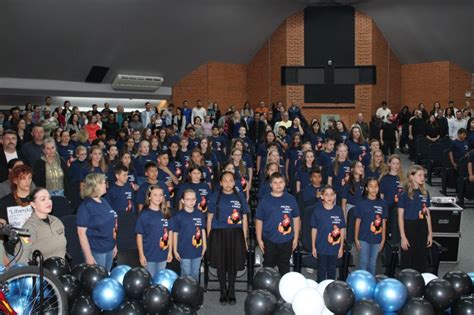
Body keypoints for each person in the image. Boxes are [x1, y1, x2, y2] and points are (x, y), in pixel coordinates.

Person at [208, 171, 249, 305]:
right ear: (220, 183)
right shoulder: (215, 196)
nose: (227, 183)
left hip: (235, 234)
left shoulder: (240, 196)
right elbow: (209, 218)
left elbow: (244, 219)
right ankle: (222, 290)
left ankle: (231, 290)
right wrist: (209, 238)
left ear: (234, 182)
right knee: (221, 264)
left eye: (230, 180)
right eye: (224, 180)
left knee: (232, 264)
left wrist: (245, 238)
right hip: (218, 233)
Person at [256, 173, 300, 276]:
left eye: (281, 182)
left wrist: (296, 237)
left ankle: (282, 290)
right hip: (269, 239)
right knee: (268, 266)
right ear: (270, 185)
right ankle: (265, 289)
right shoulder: (264, 200)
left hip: (287, 239)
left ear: (285, 184)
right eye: (275, 182)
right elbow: (259, 220)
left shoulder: (291, 199)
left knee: (284, 266)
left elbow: (296, 218)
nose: (278, 185)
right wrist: (259, 239)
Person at [77, 173, 118, 270]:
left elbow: (112, 225)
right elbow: (81, 233)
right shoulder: (86, 206)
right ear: (95, 186)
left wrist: (114, 245)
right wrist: (88, 256)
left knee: (106, 276)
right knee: (98, 281)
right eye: (103, 182)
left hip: (109, 247)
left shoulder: (104, 201)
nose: (106, 184)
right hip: (97, 250)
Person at [16, 187, 67, 263]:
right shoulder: (28, 227)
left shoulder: (57, 221)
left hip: (62, 268)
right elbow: (21, 257)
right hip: (42, 272)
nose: (48, 202)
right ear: (33, 204)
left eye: (49, 198)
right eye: (43, 199)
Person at [398, 165, 433, 272]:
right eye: (420, 175)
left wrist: (430, 234)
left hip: (422, 227)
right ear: (412, 176)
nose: (423, 178)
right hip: (409, 227)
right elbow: (400, 217)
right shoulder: (404, 194)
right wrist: (403, 237)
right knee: (408, 259)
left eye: (424, 175)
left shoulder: (425, 193)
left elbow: (427, 215)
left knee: (421, 258)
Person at [136, 185, 173, 276]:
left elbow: (170, 233)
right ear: (149, 197)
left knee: (160, 280)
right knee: (151, 281)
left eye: (161, 195)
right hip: (149, 255)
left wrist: (169, 251)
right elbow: (139, 235)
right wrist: (141, 255)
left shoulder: (166, 213)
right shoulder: (144, 214)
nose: (158, 197)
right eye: (155, 195)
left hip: (163, 254)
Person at [311, 185, 346, 282]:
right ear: (322, 196)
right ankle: (320, 289)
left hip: (334, 247)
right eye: (326, 195)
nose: (329, 197)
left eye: (331, 194)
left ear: (335, 196)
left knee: (332, 271)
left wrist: (341, 247)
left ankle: (330, 290)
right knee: (321, 271)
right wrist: (314, 246)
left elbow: (342, 229)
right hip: (321, 247)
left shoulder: (339, 211)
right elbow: (314, 229)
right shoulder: (317, 211)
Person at [354, 178, 387, 275]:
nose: (374, 189)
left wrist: (383, 239)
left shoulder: (382, 203)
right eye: (371, 186)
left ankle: (371, 284)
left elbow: (384, 222)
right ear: (366, 188)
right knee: (364, 262)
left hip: (377, 238)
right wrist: (356, 238)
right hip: (364, 237)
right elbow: (357, 221)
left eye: (376, 186)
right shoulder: (361, 203)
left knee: (372, 264)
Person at [173, 189, 206, 281]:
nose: (191, 202)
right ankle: (185, 293)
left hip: (197, 249)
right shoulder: (178, 216)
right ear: (183, 201)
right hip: (184, 250)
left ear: (196, 200)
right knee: (186, 273)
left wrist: (204, 246)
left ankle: (194, 292)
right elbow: (175, 234)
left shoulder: (199, 214)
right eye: (188, 199)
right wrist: (175, 250)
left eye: (193, 199)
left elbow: (202, 230)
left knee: (195, 272)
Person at [379, 155, 405, 242]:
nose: (396, 166)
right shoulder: (385, 178)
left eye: (398, 163)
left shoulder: (403, 179)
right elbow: (381, 196)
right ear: (389, 164)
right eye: (393, 163)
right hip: (388, 208)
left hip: (401, 209)